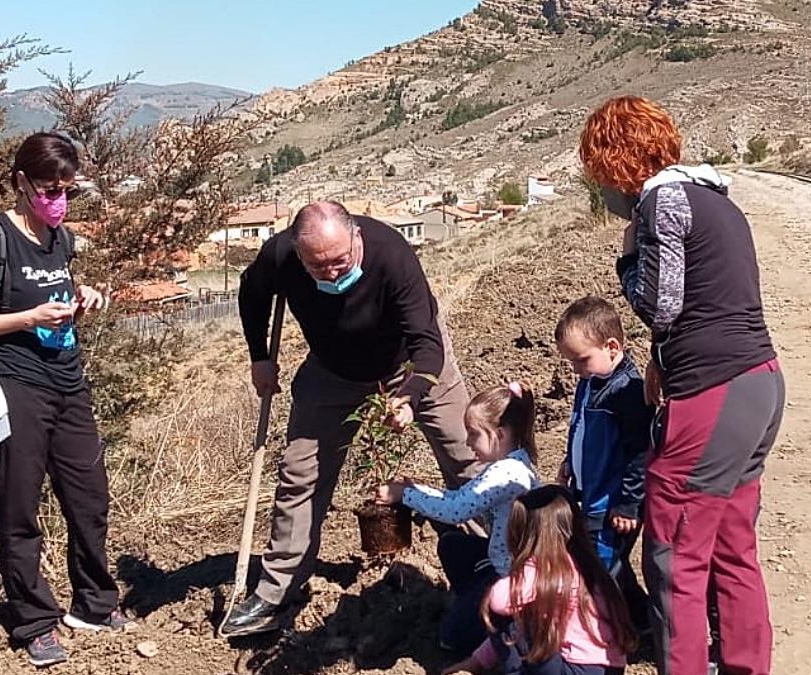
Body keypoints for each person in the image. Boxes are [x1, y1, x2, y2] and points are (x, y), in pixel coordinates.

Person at [579, 96, 786, 675]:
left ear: (614, 161)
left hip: (713, 393)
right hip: (759, 384)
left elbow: (662, 304)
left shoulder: (660, 202)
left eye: (599, 173)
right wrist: (660, 362)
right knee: (732, 547)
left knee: (674, 556)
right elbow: (711, 302)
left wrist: (626, 264)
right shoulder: (714, 200)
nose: (601, 187)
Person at [222, 201, 480, 637]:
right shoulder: (280, 255)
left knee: (466, 456)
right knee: (298, 473)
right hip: (332, 370)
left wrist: (409, 398)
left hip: (411, 365)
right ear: (299, 254)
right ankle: (277, 589)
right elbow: (252, 292)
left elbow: (427, 345)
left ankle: (492, 560)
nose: (333, 274)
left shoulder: (392, 255)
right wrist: (259, 357)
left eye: (340, 261)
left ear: (356, 237)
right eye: (317, 267)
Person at [0, 132, 128, 667]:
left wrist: (82, 299)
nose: (59, 198)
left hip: (68, 381)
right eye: (50, 187)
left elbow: (56, 297)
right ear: (22, 182)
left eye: (67, 189)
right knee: (19, 506)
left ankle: (95, 601)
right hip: (15, 386)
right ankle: (34, 622)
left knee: (90, 498)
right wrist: (25, 319)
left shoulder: (60, 237)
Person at [376, 381, 539, 657]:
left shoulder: (506, 475)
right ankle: (476, 600)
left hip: (512, 574)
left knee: (451, 638)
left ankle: (502, 619)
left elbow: (456, 511)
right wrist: (413, 489)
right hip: (502, 559)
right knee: (452, 545)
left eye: (474, 434)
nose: (467, 442)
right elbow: (459, 498)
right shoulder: (510, 463)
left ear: (498, 434)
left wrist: (404, 496)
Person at [445, 485, 635, 675]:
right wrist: (477, 660)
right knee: (521, 612)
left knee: (506, 612)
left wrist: (521, 569)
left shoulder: (545, 569)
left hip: (574, 668)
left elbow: (499, 603)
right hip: (608, 668)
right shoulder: (588, 565)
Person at [553, 296, 652, 642]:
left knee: (600, 571)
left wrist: (628, 503)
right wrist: (570, 462)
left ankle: (609, 635)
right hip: (590, 494)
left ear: (612, 347)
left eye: (581, 360)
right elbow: (579, 428)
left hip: (610, 506)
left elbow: (640, 453)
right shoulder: (590, 383)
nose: (577, 370)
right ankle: (640, 618)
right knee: (610, 568)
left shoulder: (627, 393)